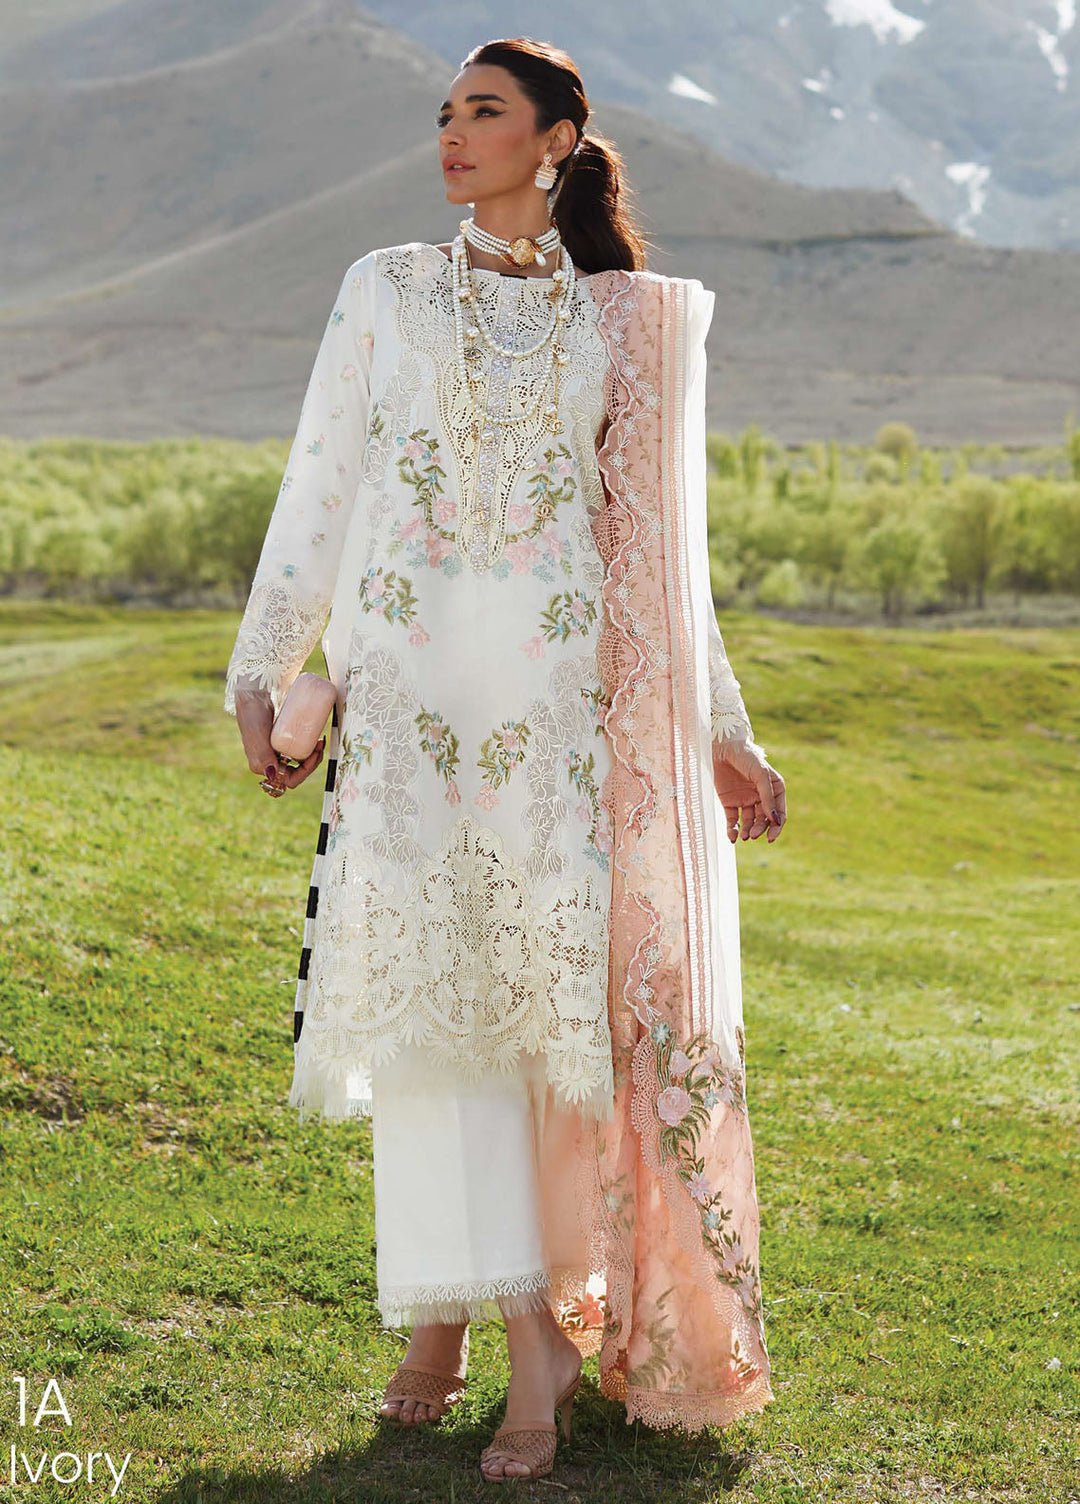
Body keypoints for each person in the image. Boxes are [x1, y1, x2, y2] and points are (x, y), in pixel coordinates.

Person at [223, 35, 786, 1484]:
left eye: (483, 112)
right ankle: (444, 1313)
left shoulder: (618, 323)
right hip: (411, 711)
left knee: (539, 1032)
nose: (452, 135)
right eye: (444, 114)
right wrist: (264, 669)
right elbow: (322, 480)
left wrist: (723, 732)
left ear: (555, 141)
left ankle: (534, 1343)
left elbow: (661, 564)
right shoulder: (386, 287)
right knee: (430, 1020)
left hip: (552, 724)